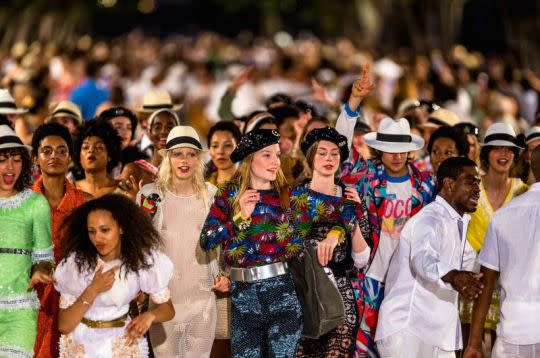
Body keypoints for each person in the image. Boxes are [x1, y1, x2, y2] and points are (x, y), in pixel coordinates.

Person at [200, 129, 304, 357]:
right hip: (242, 300)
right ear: (249, 159)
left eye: (277, 155)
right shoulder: (229, 194)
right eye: (267, 155)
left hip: (282, 295)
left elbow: (300, 245)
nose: (275, 162)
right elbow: (207, 241)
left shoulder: (288, 195)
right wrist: (239, 218)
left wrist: (333, 233)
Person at [375, 157, 483, 357]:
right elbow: (422, 259)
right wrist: (454, 277)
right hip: (408, 328)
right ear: (449, 184)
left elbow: (476, 265)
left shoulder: (456, 221)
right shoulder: (430, 218)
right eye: (470, 182)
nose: (477, 189)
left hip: (437, 334)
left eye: (478, 182)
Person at [137, 126, 228, 357]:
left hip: (202, 299)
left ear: (199, 158)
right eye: (178, 153)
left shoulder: (211, 194)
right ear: (168, 157)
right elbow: (138, 244)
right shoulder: (150, 195)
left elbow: (225, 241)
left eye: (191, 154)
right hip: (163, 300)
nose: (184, 160)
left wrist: (225, 275)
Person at [350, 117, 437, 357]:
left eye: (401, 150)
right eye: (390, 150)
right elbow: (342, 150)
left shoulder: (426, 184)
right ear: (379, 150)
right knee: (365, 345)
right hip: (372, 276)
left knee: (403, 345)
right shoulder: (367, 179)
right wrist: (352, 106)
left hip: (409, 279)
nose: (396, 156)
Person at [54, 194, 175, 357]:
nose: (98, 238)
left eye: (105, 230)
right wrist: (92, 289)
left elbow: (168, 310)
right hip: (82, 346)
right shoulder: (76, 265)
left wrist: (150, 316)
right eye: (92, 231)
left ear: (121, 228)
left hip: (122, 344)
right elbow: (64, 325)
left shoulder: (141, 262)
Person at [294, 127, 371, 357]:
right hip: (304, 293)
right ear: (310, 157)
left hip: (340, 294)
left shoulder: (350, 197)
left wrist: (354, 216)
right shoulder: (297, 196)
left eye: (334, 154)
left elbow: (361, 260)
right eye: (322, 153)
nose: (329, 159)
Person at [464, 146, 540, 358]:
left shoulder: (504, 215)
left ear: (532, 167)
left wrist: (474, 343)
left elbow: (486, 283)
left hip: (514, 332)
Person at [31, 123, 88, 358]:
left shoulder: (86, 205)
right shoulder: (20, 205)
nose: (54, 156)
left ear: (71, 158)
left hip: (76, 305)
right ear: (35, 158)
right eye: (47, 151)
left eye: (61, 150)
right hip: (31, 305)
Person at [0, 124, 54, 358]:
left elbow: (44, 257)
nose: (10, 167)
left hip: (20, 309)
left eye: (16, 159)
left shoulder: (36, 203)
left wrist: (40, 271)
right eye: (2, 159)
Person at [73, 118, 121, 197]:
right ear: (79, 157)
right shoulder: (69, 189)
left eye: (99, 147)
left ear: (109, 156)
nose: (91, 150)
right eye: (85, 147)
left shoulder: (123, 189)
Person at [206, 121, 241, 186]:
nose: (220, 151)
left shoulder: (249, 184)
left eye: (227, 145)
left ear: (239, 148)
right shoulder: (201, 185)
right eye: (215, 146)